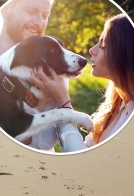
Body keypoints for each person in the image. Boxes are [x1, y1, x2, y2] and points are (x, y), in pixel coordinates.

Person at [0, 0, 66, 151]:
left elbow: (46, 142)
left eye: (45, 15)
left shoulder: (51, 71)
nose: (39, 22)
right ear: (6, 9)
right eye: (31, 12)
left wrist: (61, 100)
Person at [30, 14, 134, 150]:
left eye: (102, 45)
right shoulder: (118, 105)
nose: (92, 50)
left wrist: (63, 104)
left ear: (125, 53)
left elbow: (84, 161)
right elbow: (84, 149)